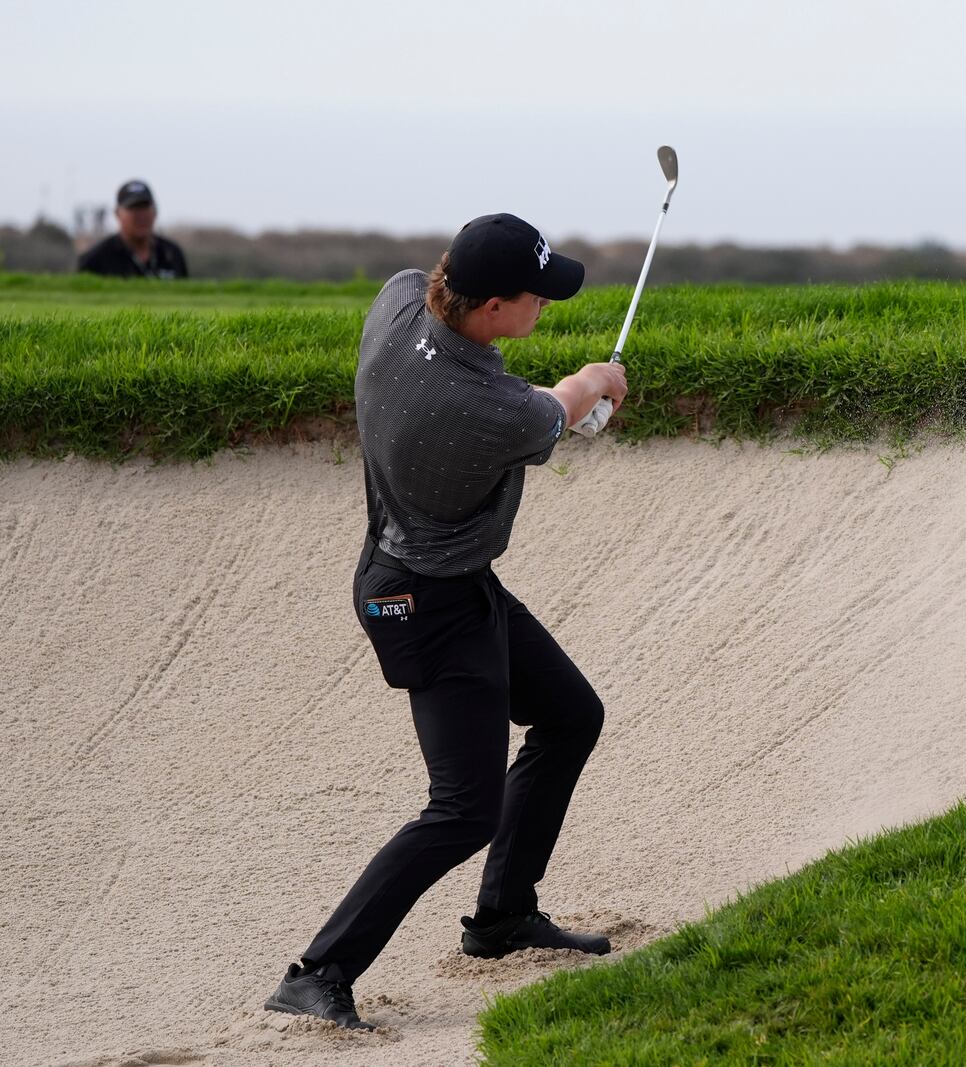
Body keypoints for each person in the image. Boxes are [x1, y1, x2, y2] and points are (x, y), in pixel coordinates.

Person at [265, 213, 629, 1031]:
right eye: (537, 295)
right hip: (423, 603)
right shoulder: (485, 405)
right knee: (464, 806)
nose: (546, 304)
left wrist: (571, 402)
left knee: (571, 715)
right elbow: (553, 410)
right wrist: (594, 381)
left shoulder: (398, 304)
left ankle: (502, 917)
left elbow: (541, 410)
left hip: (445, 579)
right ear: (492, 306)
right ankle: (318, 969)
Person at [76, 180, 189, 279]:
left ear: (155, 212)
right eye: (133, 209)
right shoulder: (95, 259)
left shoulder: (172, 253)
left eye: (144, 208)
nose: (141, 216)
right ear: (117, 214)